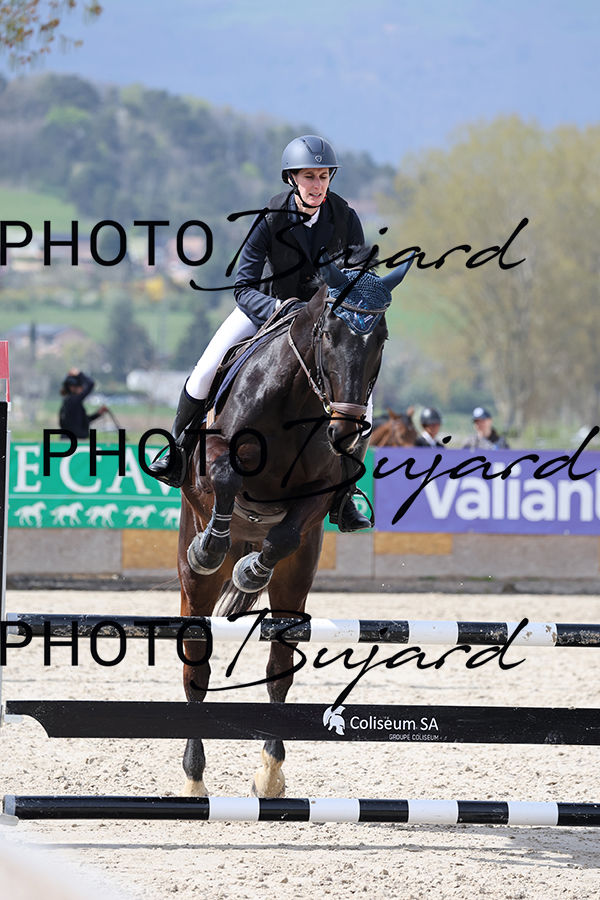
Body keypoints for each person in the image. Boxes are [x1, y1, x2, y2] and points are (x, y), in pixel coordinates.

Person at [149, 134, 372, 531]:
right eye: (309, 176)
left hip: (325, 322)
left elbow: (356, 279)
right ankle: (177, 452)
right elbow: (244, 285)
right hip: (267, 310)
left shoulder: (346, 218)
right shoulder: (270, 218)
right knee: (205, 369)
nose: (317, 185)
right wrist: (279, 309)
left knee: (363, 405)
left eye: (323, 176)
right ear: (292, 179)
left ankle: (345, 494)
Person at [59, 369, 107, 439]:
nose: (82, 389)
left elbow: (83, 421)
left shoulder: (70, 403)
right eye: (80, 387)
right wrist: (79, 373)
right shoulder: (73, 402)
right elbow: (90, 384)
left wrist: (98, 413)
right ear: (72, 388)